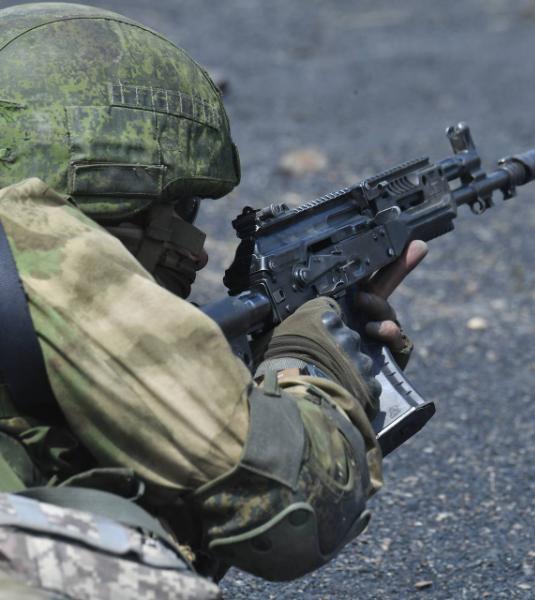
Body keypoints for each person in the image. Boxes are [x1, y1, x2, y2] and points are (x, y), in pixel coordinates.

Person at [0, 2, 428, 596]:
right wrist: (310, 361)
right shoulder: (45, 249)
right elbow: (295, 503)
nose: (198, 255)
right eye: (182, 210)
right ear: (110, 184)